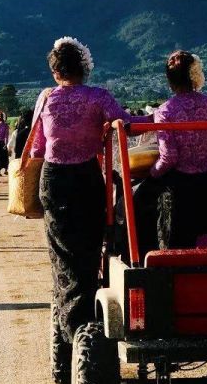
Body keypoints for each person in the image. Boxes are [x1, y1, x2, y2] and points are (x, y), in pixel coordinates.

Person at [31, 36, 149, 344]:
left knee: (62, 255)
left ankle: (71, 324)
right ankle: (87, 322)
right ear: (85, 68)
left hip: (54, 179)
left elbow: (37, 150)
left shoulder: (46, 99)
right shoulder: (98, 97)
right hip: (86, 178)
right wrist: (161, 117)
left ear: (55, 70)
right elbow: (126, 123)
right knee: (90, 249)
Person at [138, 50, 207, 252]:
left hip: (179, 189)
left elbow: (169, 157)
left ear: (170, 80)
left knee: (179, 246)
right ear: (195, 75)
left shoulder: (165, 111)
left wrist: (151, 175)